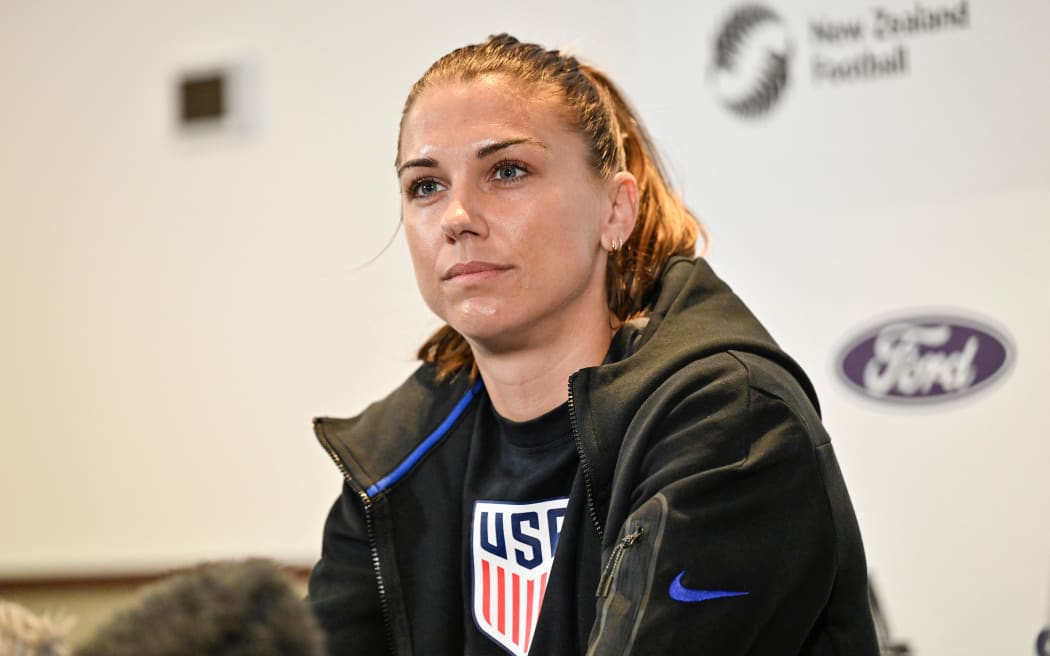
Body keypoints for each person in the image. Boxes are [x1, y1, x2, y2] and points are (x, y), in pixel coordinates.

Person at [308, 33, 879, 656]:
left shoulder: (731, 424)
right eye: (425, 185)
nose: (457, 215)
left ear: (615, 210)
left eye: (506, 171)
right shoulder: (393, 456)